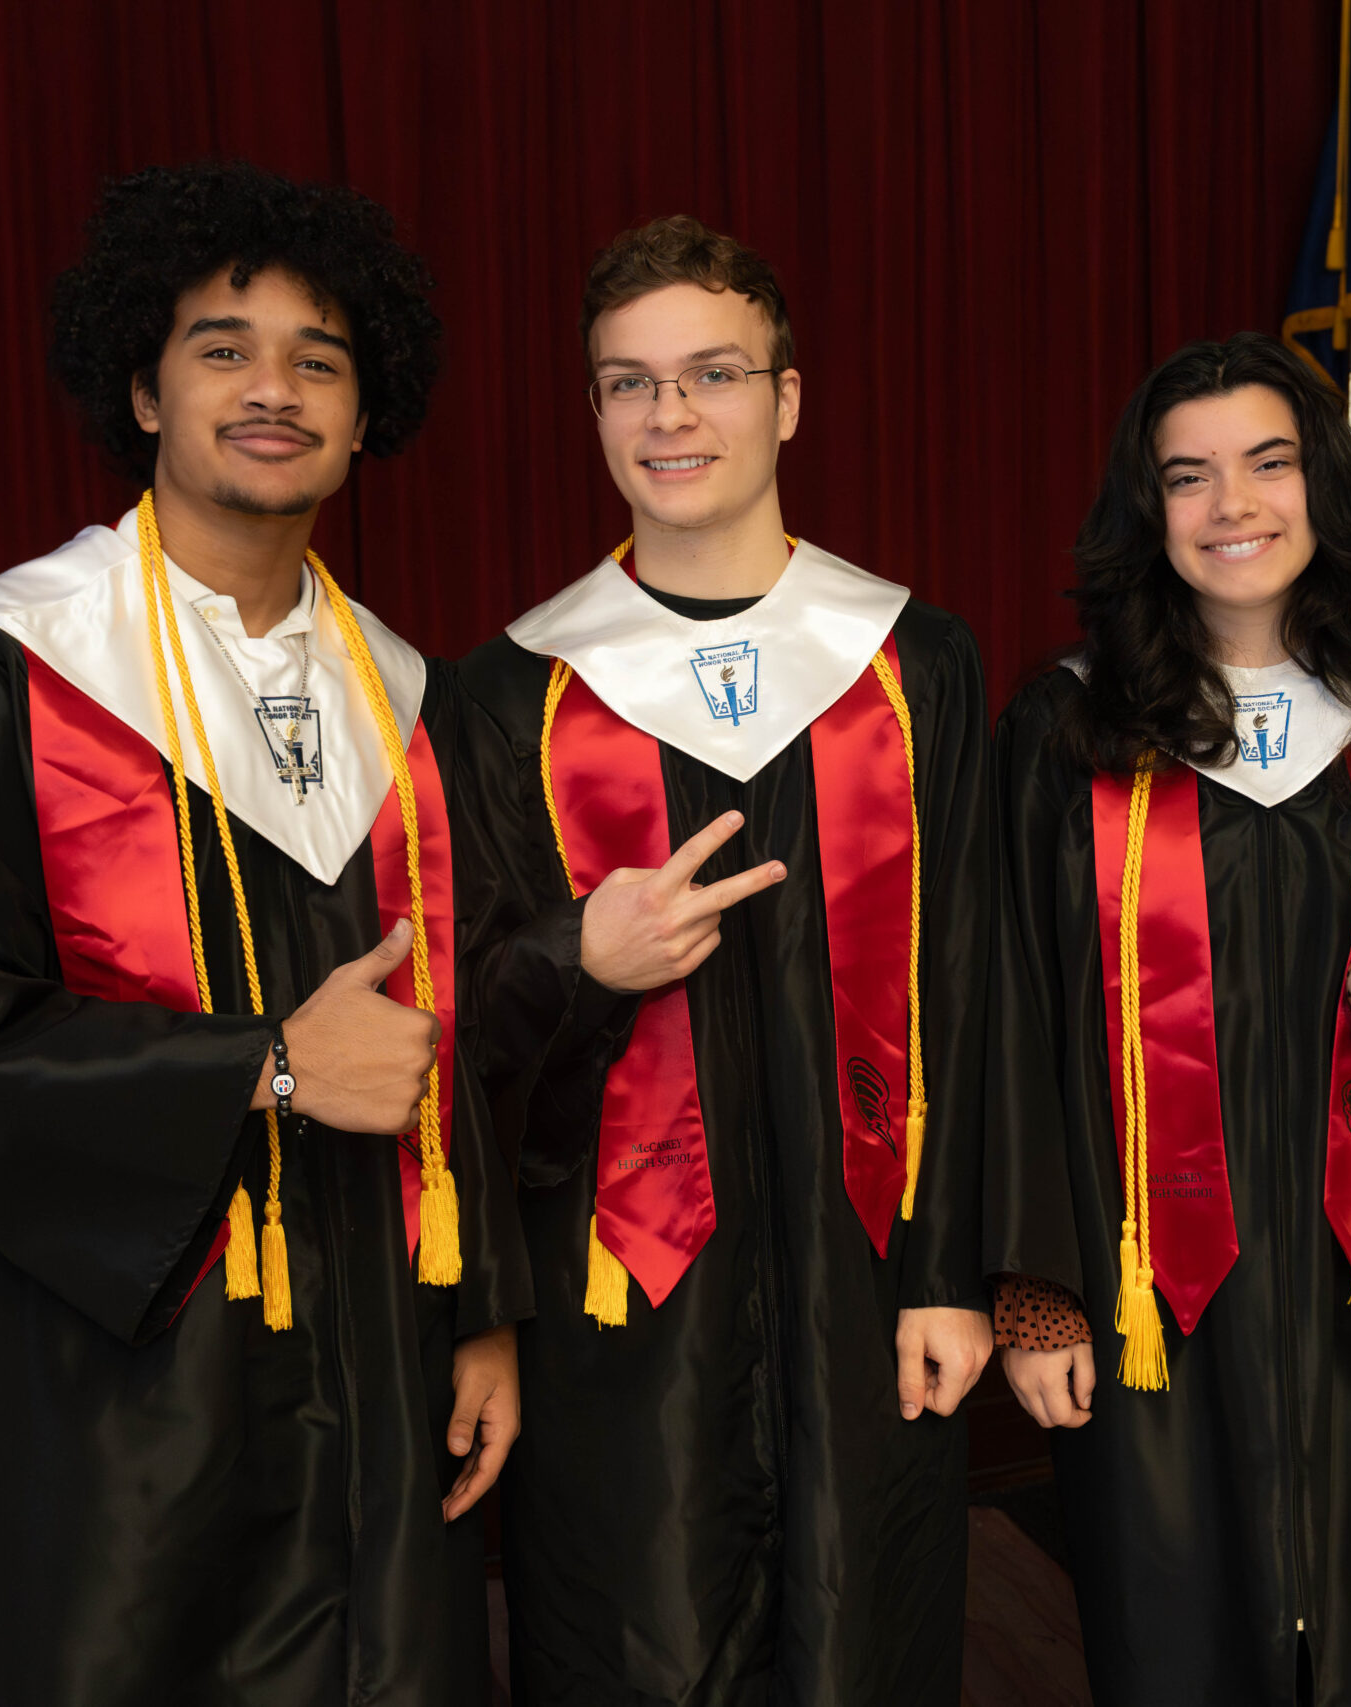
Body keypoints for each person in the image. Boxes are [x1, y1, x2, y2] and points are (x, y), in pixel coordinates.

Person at [0, 160, 527, 1706]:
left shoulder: (416, 703)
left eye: (319, 360)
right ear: (145, 392)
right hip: (118, 1376)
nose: (273, 388)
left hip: (377, 1346)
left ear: (365, 413)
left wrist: (481, 1312)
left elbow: (464, 1030)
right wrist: (268, 1070)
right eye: (225, 349)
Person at [461, 215, 993, 1706]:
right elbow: (465, 1022)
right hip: (621, 1308)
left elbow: (973, 983)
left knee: (862, 1647)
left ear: (788, 397)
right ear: (594, 411)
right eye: (629, 383)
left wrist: (950, 1273)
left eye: (711, 373)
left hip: (867, 1283)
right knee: (639, 1652)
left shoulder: (916, 665)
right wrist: (579, 956)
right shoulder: (513, 692)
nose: (670, 415)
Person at [986, 331, 1351, 1704]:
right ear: (1148, 508)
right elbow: (1010, 1008)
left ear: (1323, 487)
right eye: (1190, 475)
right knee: (1179, 1638)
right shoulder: (1069, 736)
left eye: (1268, 463)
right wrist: (1038, 1292)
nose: (1232, 504)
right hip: (1156, 1299)